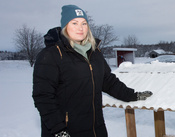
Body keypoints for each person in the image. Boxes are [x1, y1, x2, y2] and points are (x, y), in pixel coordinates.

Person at [32, 5, 152, 137]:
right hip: (67, 130)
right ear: (65, 27)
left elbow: (108, 81)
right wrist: (58, 130)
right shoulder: (52, 55)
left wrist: (132, 95)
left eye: (84, 23)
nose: (80, 28)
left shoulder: (94, 52)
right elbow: (43, 96)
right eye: (74, 23)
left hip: (96, 129)